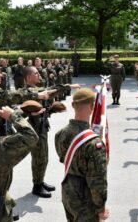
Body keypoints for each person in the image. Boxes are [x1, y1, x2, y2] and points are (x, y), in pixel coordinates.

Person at [23, 66, 80, 198]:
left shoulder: (36, 90)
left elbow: (48, 96)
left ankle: (40, 181)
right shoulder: (28, 92)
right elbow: (50, 92)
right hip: (34, 131)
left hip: (41, 128)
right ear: (28, 77)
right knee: (38, 158)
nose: (38, 74)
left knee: (43, 157)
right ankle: (36, 186)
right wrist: (68, 86)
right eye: (35, 73)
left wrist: (53, 109)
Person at [55, 88, 109, 222]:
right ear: (92, 107)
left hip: (68, 191)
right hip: (85, 198)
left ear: (73, 105)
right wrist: (100, 207)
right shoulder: (94, 144)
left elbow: (64, 159)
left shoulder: (61, 133)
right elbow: (97, 181)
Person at [0, 63, 53, 138]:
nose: (1, 76)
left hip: (3, 133)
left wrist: (28, 111)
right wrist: (37, 95)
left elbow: (11, 110)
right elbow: (10, 96)